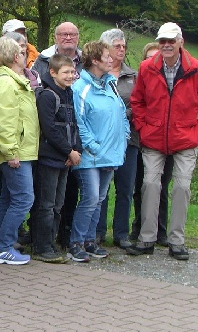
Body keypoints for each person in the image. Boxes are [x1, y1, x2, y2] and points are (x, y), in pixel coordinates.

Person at [130, 22, 198, 261]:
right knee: (150, 185)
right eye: (162, 41)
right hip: (154, 137)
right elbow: (138, 101)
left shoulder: (196, 68)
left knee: (182, 187)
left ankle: (177, 241)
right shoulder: (147, 67)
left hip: (186, 137)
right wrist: (143, 127)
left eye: (170, 41)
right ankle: (147, 238)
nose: (166, 46)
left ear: (180, 42)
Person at [67, 41, 128, 262]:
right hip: (91, 155)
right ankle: (76, 242)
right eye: (107, 56)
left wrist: (125, 136)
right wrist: (92, 146)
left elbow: (120, 113)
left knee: (100, 198)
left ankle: (90, 240)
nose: (111, 59)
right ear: (95, 60)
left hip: (110, 153)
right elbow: (78, 121)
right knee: (90, 197)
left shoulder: (110, 85)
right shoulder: (80, 88)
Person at [0, 37, 39, 265]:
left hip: (18, 150)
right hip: (16, 152)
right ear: (16, 57)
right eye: (23, 53)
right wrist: (11, 152)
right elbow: (5, 122)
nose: (25, 56)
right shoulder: (7, 83)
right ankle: (3, 247)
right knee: (24, 198)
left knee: (8, 197)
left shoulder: (12, 81)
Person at [31, 54, 81, 263]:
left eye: (72, 72)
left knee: (58, 204)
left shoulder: (69, 94)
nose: (70, 76)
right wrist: (68, 151)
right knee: (46, 203)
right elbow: (50, 128)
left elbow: (75, 124)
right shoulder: (47, 96)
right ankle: (41, 245)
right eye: (65, 72)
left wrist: (75, 150)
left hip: (65, 159)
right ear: (52, 72)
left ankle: (51, 242)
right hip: (50, 158)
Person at [95, 29, 139, 249]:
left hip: (128, 140)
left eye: (124, 46)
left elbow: (140, 104)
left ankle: (121, 233)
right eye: (117, 46)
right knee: (101, 187)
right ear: (107, 49)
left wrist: (121, 114)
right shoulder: (97, 75)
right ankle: (98, 231)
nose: (122, 50)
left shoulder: (133, 76)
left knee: (125, 187)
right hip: (102, 140)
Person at [128, 41, 173, 249]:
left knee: (161, 187)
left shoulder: (169, 82)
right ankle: (139, 227)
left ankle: (160, 230)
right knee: (142, 187)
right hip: (140, 141)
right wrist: (143, 127)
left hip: (166, 141)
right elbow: (137, 105)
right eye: (149, 57)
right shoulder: (140, 80)